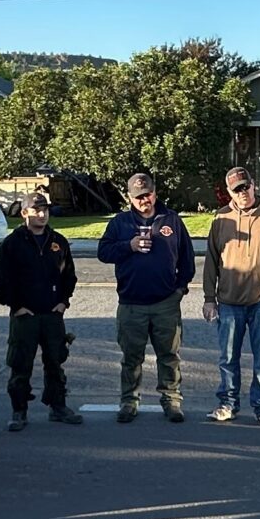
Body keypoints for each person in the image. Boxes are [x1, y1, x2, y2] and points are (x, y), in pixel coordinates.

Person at [98, 171, 194, 423]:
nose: (144, 199)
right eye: (139, 196)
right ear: (130, 198)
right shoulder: (120, 223)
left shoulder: (171, 220)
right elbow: (103, 252)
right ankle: (129, 401)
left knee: (169, 356)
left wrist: (180, 289)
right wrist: (128, 246)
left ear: (155, 192)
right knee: (131, 357)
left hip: (165, 303)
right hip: (131, 303)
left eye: (148, 194)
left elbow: (187, 258)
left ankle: (171, 399)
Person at [203, 166, 260, 424]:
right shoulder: (221, 218)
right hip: (228, 302)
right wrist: (208, 298)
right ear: (229, 193)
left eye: (245, 187)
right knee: (228, 358)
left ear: (254, 185)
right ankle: (227, 403)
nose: (243, 193)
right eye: (237, 190)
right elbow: (211, 260)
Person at [0, 190, 82, 429]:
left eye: (45, 210)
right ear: (25, 213)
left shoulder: (58, 241)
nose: (42, 214)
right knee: (21, 364)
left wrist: (64, 302)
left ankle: (58, 406)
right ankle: (19, 410)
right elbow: (3, 279)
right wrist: (16, 306)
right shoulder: (13, 243)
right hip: (25, 316)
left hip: (52, 314)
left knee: (55, 362)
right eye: (36, 210)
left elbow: (69, 276)